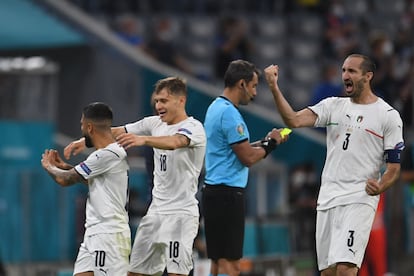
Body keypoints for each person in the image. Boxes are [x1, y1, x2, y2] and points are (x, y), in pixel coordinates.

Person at [264, 54, 405, 276]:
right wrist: (273, 87)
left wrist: (380, 185)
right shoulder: (332, 106)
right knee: (328, 273)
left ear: (368, 76)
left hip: (358, 199)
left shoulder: (388, 116)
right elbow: (293, 120)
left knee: (345, 270)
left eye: (351, 71)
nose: (345, 76)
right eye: (343, 70)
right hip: (328, 198)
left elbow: (394, 169)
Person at [64, 77, 206, 276]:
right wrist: (85, 141)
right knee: (136, 272)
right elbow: (116, 131)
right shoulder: (153, 123)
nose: (158, 105)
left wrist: (144, 139)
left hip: (180, 214)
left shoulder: (194, 128)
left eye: (163, 101)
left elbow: (176, 141)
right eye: (156, 101)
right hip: (155, 212)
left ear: (180, 101)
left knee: (176, 273)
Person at [202, 59, 289, 276]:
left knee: (217, 261)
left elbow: (235, 149)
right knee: (231, 264)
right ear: (241, 84)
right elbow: (248, 158)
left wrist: (264, 141)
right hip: (228, 195)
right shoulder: (230, 114)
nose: (255, 92)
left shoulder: (215, 107)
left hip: (214, 193)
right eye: (254, 86)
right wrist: (272, 144)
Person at [41, 102, 131, 276]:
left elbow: (64, 180)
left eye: (82, 124)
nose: (81, 129)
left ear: (89, 127)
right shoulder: (106, 154)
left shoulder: (107, 154)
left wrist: (48, 166)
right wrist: (66, 167)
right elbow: (90, 181)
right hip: (93, 234)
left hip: (109, 236)